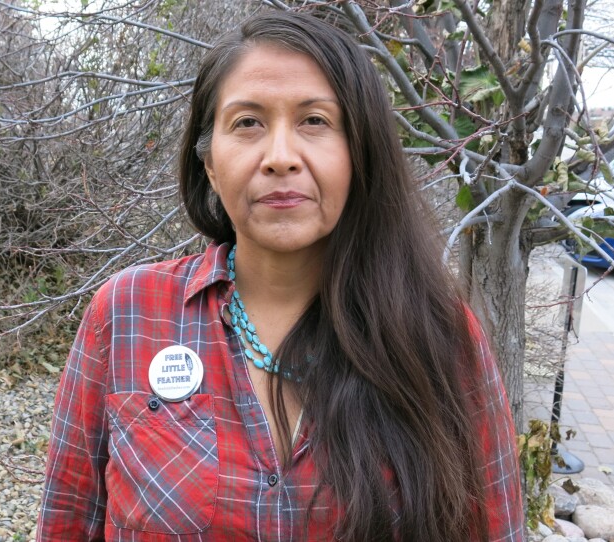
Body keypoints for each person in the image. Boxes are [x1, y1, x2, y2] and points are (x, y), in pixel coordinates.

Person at [37, 10, 523, 542]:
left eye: (315, 120)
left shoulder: (440, 338)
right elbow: (65, 524)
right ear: (210, 163)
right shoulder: (127, 313)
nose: (280, 157)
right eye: (248, 123)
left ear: (358, 154)